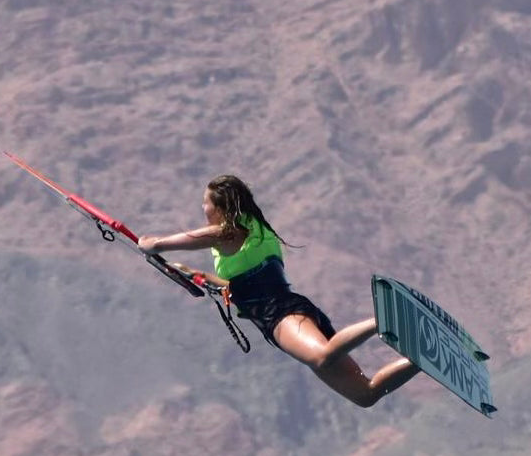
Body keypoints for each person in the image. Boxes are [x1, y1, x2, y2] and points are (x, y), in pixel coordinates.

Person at [139, 175, 420, 408]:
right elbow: (243, 284)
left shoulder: (229, 232)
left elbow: (157, 244)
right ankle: (421, 358)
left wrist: (149, 243)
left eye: (205, 202)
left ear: (221, 207)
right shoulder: (254, 232)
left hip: (281, 315)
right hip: (291, 308)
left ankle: (384, 320)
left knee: (323, 356)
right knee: (366, 395)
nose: (202, 208)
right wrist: (193, 274)